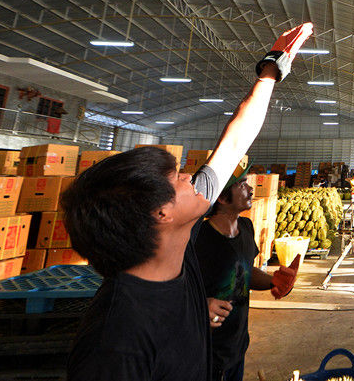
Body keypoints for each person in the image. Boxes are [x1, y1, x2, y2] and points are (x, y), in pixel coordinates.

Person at [62, 22, 313, 381]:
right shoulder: (117, 341)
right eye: (176, 178)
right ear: (161, 213)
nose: (188, 178)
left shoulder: (177, 255)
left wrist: (272, 67)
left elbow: (233, 145)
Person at [195, 172, 301, 381]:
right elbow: (179, 287)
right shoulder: (200, 238)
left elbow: (243, 273)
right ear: (223, 198)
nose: (251, 189)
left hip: (237, 343)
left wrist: (274, 281)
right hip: (208, 348)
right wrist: (198, 306)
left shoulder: (246, 227)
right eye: (242, 185)